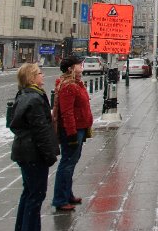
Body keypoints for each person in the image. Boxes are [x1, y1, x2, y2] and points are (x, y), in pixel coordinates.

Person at [10, 63, 60, 231]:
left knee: (28, 193)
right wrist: (49, 154)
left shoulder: (25, 94)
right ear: (31, 78)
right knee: (36, 196)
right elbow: (41, 130)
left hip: (24, 151)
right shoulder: (35, 98)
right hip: (33, 154)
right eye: (39, 73)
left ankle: (21, 226)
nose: (43, 75)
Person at [51, 56, 93, 212]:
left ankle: (67, 194)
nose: (82, 66)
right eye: (79, 65)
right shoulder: (69, 86)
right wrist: (71, 133)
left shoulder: (76, 83)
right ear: (70, 68)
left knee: (71, 163)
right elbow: (67, 112)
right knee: (67, 164)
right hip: (73, 130)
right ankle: (60, 199)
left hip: (80, 128)